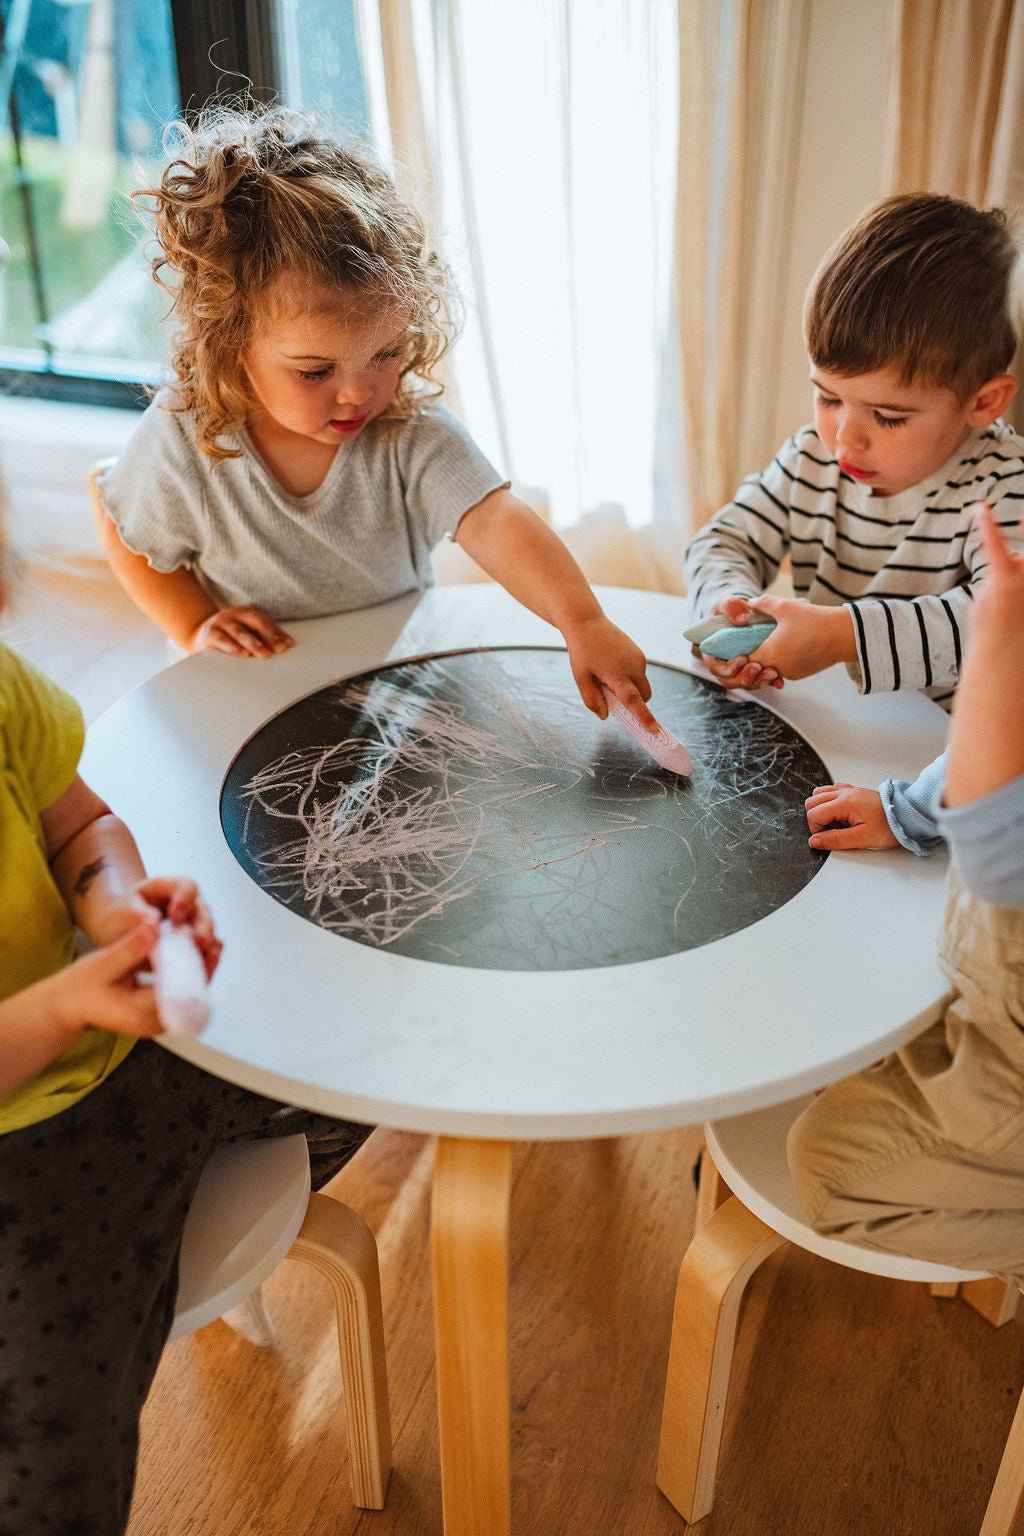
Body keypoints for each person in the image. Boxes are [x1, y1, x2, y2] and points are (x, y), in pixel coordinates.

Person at [0, 516, 374, 1529]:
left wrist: (115, 900)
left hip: (107, 1052)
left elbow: (80, 822)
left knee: (362, 1057)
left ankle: (168, 1218)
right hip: (25, 1153)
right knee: (51, 1479)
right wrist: (60, 1006)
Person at [94, 103, 655, 729]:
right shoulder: (187, 433)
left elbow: (494, 519)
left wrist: (583, 620)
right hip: (249, 687)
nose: (358, 394)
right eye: (316, 371)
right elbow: (119, 520)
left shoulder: (407, 429)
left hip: (392, 673)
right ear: (232, 345)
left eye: (384, 354)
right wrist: (194, 622)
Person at [786, 503, 1024, 1282]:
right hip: (982, 986)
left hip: (1009, 1056)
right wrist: (910, 808)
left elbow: (998, 859)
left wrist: (995, 648)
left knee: (826, 1171)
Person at [684, 193, 1024, 706]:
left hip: (955, 754)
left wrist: (841, 636)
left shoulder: (1004, 484)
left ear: (983, 403)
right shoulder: (810, 460)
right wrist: (729, 606)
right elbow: (724, 541)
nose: (845, 436)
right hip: (851, 724)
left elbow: (1006, 619)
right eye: (828, 397)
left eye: (888, 416)